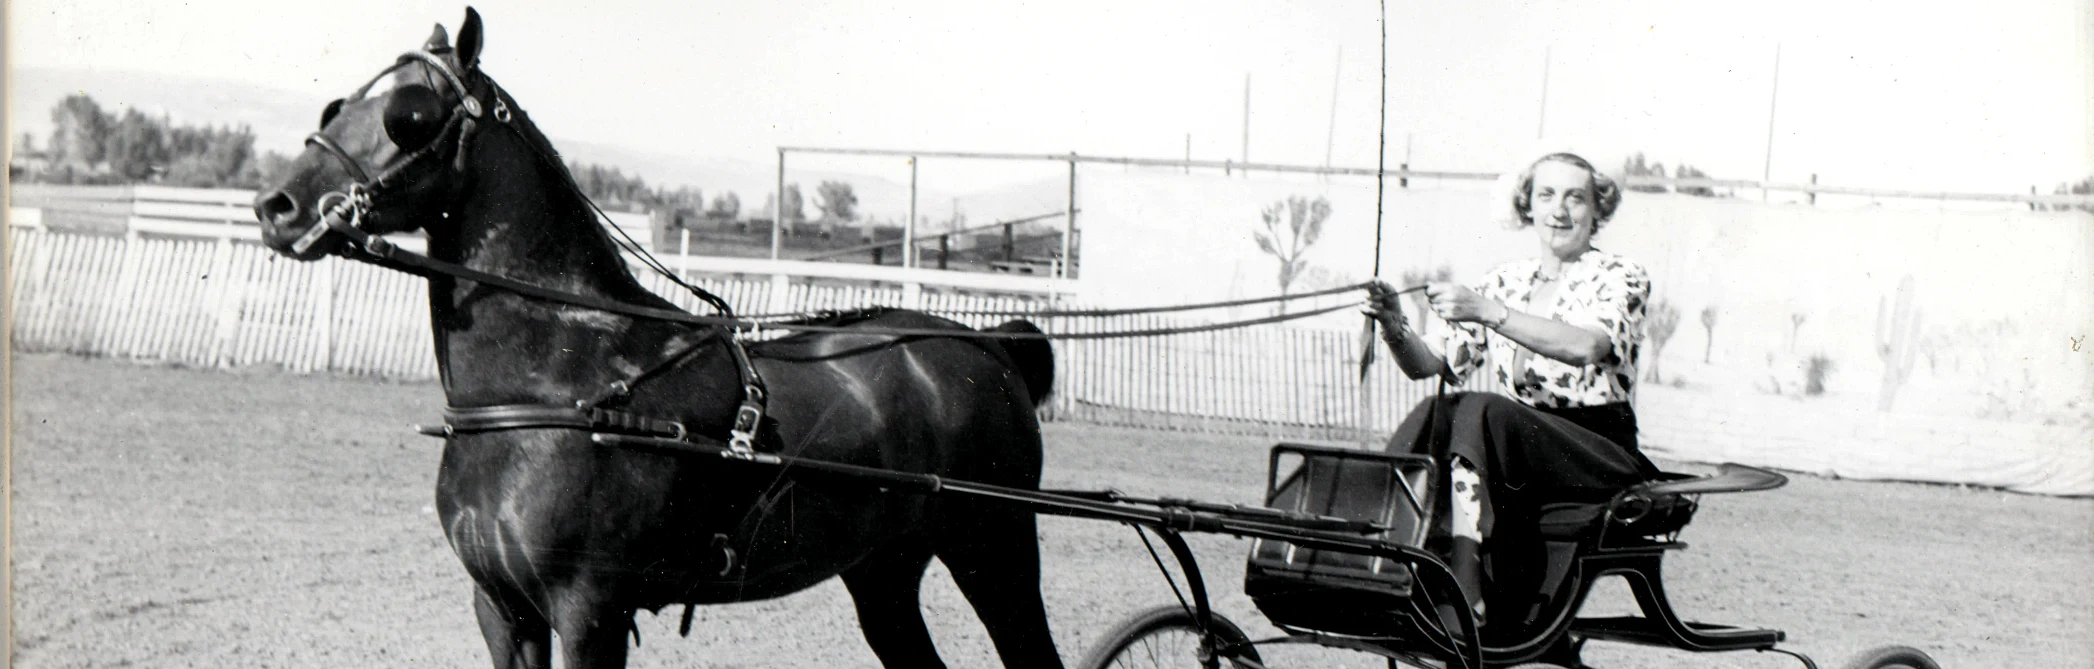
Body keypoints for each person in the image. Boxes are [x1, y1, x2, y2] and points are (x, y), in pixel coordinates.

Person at [1365, 152, 1663, 648]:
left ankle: (1465, 579)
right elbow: (1430, 364)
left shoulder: (1620, 276)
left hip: (1595, 450)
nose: (1560, 210)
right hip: (1516, 444)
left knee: (1484, 409)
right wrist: (1393, 323)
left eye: (1576, 197)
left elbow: (1587, 346)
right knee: (1439, 410)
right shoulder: (1506, 280)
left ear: (1597, 208)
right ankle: (1379, 551)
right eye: (1546, 195)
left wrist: (1489, 311)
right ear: (1528, 205)